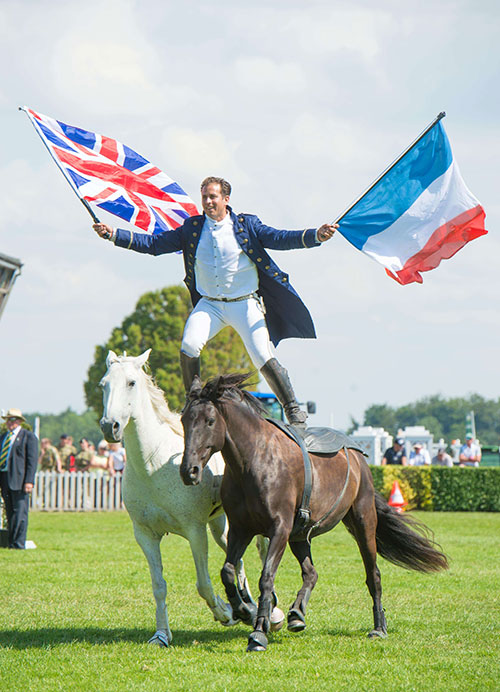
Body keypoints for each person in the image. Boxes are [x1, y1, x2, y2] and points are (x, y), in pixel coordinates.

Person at [93, 176, 337, 431]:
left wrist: (315, 236)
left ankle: (294, 411)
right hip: (210, 305)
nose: (208, 202)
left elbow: (279, 238)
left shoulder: (246, 225)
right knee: (189, 345)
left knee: (262, 354)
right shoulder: (193, 228)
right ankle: (193, 401)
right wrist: (114, 235)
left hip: (245, 304)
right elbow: (155, 245)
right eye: (205, 197)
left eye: (213, 197)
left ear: (226, 199)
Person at [0, 408, 38, 549]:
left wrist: (29, 480)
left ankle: (18, 542)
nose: (9, 423)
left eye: (12, 419)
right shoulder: (4, 437)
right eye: (7, 420)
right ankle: (10, 541)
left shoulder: (28, 436)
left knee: (20, 511)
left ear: (19, 421)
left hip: (20, 479)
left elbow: (32, 461)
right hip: (5, 477)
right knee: (9, 511)